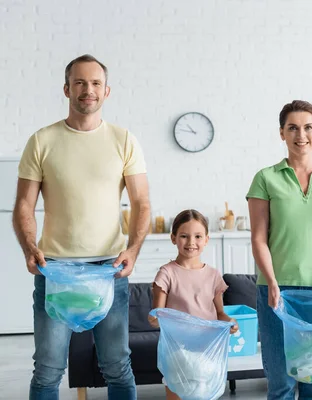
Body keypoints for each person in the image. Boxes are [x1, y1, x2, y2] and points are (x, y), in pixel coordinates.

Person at [13, 54, 151, 399]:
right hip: (55, 270)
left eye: (94, 83)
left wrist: (132, 250)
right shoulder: (42, 141)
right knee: (47, 368)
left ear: (106, 91)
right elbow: (24, 205)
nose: (87, 90)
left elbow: (142, 203)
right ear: (66, 89)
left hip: (109, 270)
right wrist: (30, 248)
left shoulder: (124, 140)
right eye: (79, 83)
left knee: (117, 364)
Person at [246, 100, 312, 399]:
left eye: (307, 127)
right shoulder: (265, 178)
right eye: (292, 128)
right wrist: (271, 281)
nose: (300, 134)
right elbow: (258, 238)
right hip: (277, 290)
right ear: (282, 133)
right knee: (280, 382)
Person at [148, 209, 238, 400]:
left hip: (207, 352)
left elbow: (219, 313)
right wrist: (154, 319)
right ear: (173, 238)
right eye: (184, 236)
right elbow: (157, 315)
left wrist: (229, 321)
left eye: (198, 236)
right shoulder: (166, 274)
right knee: (177, 394)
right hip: (177, 352)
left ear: (206, 239)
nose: (191, 242)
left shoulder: (213, 275)